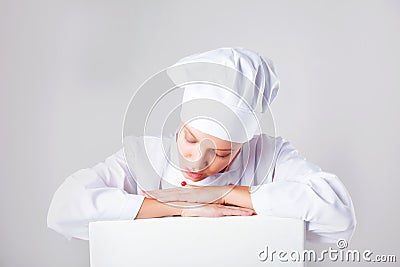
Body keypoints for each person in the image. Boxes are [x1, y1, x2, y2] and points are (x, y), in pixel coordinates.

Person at [47, 47, 356, 243]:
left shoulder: (270, 156)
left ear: (243, 145)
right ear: (179, 126)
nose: (197, 161)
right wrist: (179, 205)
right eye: (190, 139)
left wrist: (224, 195)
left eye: (221, 153)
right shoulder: (143, 156)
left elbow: (338, 217)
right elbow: (63, 210)